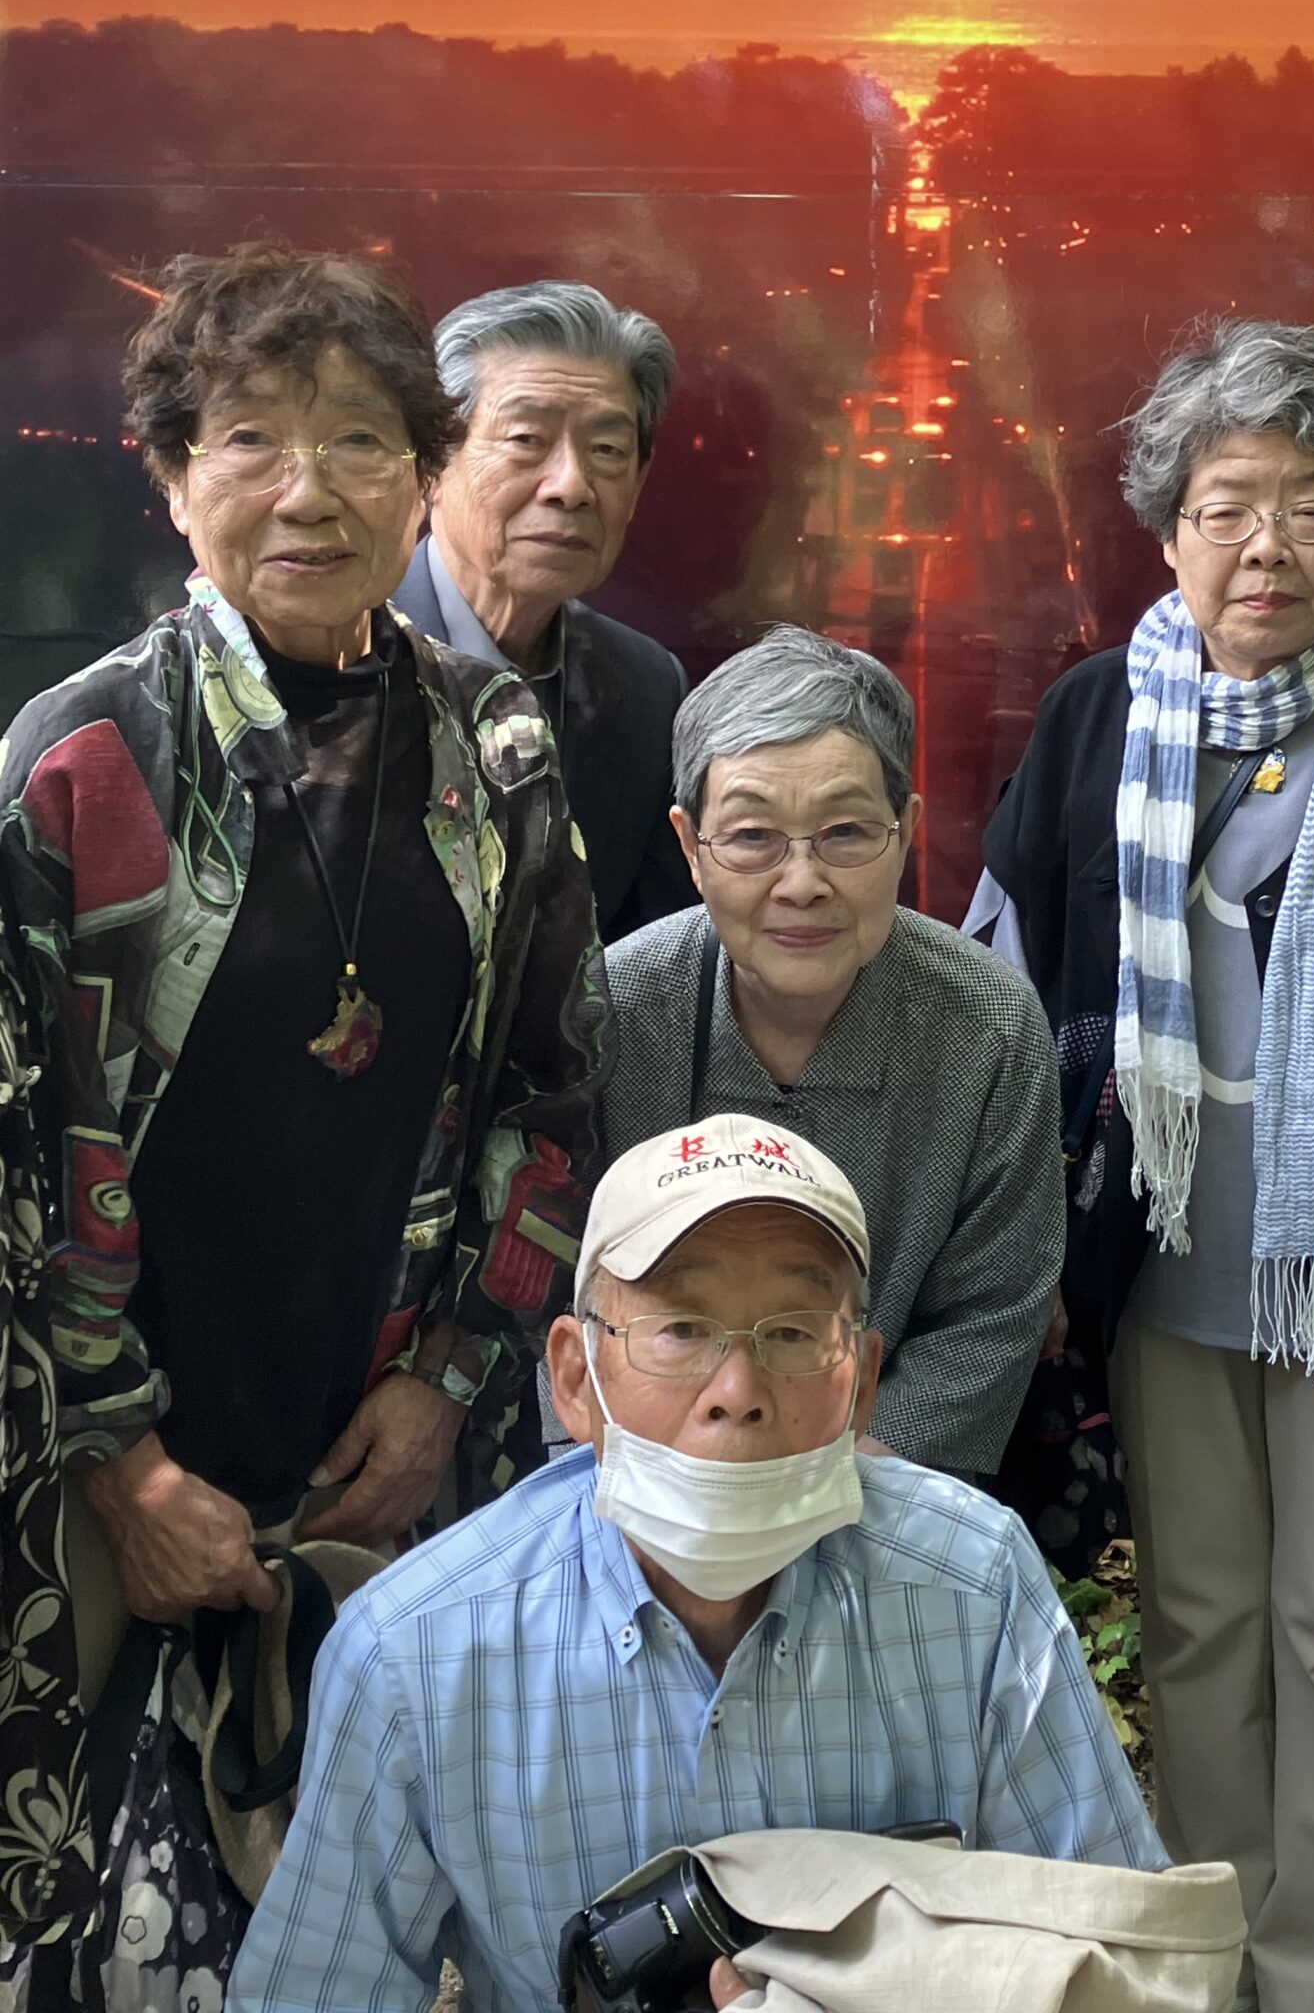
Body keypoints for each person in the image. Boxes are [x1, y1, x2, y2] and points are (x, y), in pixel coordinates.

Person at [0, 244, 606, 1997]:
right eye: (250, 438)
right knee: (78, 1912)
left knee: (384, 1904)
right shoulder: (80, 763)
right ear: (173, 477)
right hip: (112, 1447)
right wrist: (121, 1464)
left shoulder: (495, 749)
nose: (308, 488)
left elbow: (551, 1093)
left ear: (423, 481)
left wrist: (448, 1389)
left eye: (358, 441)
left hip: (389, 1442)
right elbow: (14, 1159)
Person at [973, 318, 1314, 2013]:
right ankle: (1214, 1956)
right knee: (1200, 1621)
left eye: (1312, 504)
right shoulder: (1087, 718)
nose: (1264, 545)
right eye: (1226, 505)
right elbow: (1012, 991)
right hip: (1164, 1256)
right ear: (1167, 523)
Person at [229, 1113, 1165, 2013]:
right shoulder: (415, 1654)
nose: (738, 1393)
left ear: (863, 1385)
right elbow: (313, 1989)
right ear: (573, 1380)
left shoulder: (974, 1590)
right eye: (680, 1330)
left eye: (796, 1333)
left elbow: (1128, 1965)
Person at [603, 627, 1064, 1479]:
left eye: (847, 833)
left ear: (909, 830)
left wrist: (833, 1484)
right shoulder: (615, 1014)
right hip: (646, 1475)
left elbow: (994, 1312)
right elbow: (568, 1296)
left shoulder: (990, 1026)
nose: (803, 881)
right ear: (687, 847)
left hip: (884, 1484)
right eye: (751, 837)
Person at [398, 278, 693, 942]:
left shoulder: (646, 689)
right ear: (432, 461)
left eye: (608, 450)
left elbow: (651, 961)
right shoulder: (329, 657)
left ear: (640, 482)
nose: (571, 485)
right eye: (527, 439)